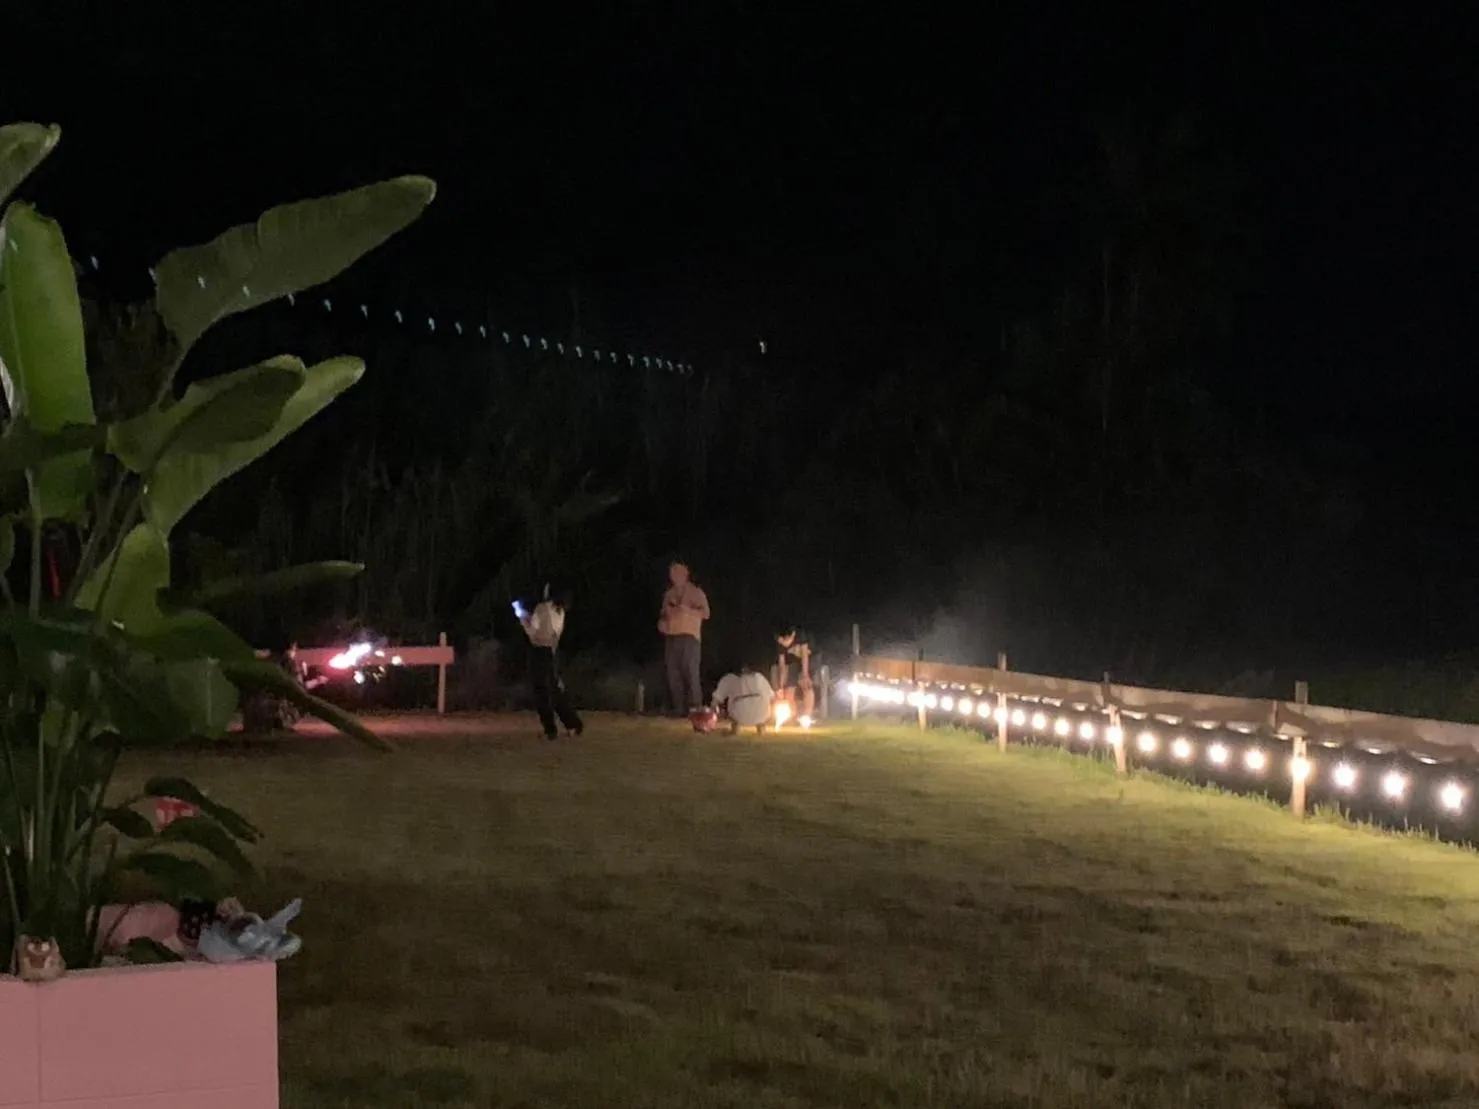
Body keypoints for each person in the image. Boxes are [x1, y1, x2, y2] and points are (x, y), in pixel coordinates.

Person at [518, 584, 584, 740]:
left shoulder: (543, 608)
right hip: (553, 651)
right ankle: (573, 724)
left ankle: (550, 729)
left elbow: (533, 632)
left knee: (541, 691)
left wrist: (523, 619)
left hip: (539, 651)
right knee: (555, 691)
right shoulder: (560, 612)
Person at [658, 561, 710, 714]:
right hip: (672, 637)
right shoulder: (669, 594)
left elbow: (706, 613)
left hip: (690, 637)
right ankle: (679, 708)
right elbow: (663, 614)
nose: (674, 575)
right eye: (672, 573)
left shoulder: (696, 592)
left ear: (686, 574)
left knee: (691, 673)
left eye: (678, 572)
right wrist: (661, 623)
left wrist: (688, 611)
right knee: (673, 674)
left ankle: (695, 708)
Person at [712, 665, 776, 734]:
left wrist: (714, 713)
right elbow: (772, 696)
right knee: (761, 702)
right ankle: (761, 728)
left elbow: (716, 699)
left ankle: (736, 728)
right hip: (762, 714)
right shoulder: (759, 677)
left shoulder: (729, 679)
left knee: (733, 702)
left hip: (739, 715)